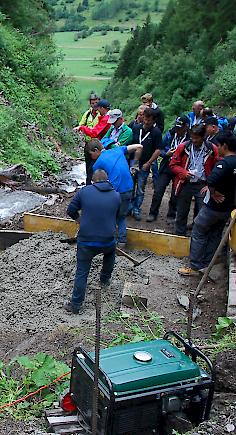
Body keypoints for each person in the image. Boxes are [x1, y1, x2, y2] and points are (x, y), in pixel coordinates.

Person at [179, 132, 236, 276]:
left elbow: (211, 180)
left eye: (219, 146)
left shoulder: (223, 164)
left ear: (224, 146)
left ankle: (194, 266)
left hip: (214, 207)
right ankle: (207, 263)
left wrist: (212, 192)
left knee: (198, 231)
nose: (218, 148)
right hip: (229, 207)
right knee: (215, 234)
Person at [64, 170, 120, 314]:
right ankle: (105, 279)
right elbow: (118, 216)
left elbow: (70, 210)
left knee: (82, 272)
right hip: (108, 240)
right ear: (108, 181)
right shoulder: (116, 195)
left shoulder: (85, 192)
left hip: (87, 241)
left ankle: (76, 305)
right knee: (110, 254)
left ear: (93, 182)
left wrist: (79, 220)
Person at [89, 140, 143, 245]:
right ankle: (122, 242)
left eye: (91, 155)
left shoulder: (97, 164)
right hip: (128, 189)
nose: (92, 158)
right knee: (121, 217)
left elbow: (98, 183)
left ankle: (107, 239)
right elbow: (139, 146)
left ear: (96, 150)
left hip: (115, 192)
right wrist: (134, 165)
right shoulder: (118, 150)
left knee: (108, 215)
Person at [169, 124, 219, 236]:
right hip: (185, 183)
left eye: (197, 138)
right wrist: (184, 173)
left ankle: (198, 235)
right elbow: (173, 165)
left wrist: (210, 184)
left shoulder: (211, 149)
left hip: (202, 184)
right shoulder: (184, 147)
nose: (194, 140)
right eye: (192, 137)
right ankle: (180, 234)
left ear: (203, 137)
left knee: (202, 211)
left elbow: (217, 168)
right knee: (182, 211)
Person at [147, 116, 190, 222]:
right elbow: (160, 148)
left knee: (175, 192)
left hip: (180, 167)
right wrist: (166, 153)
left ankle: (171, 214)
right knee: (158, 190)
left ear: (186, 127)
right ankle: (153, 213)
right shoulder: (170, 134)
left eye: (180, 127)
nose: (178, 130)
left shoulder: (190, 138)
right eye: (177, 127)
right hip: (167, 165)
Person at [130, 107, 163, 220]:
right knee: (130, 186)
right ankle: (129, 207)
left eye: (149, 120)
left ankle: (136, 209)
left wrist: (149, 163)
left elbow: (158, 150)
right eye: (145, 118)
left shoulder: (156, 132)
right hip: (133, 162)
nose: (147, 122)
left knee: (140, 188)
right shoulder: (136, 128)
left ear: (154, 120)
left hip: (145, 164)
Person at [74, 99, 112, 184]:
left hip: (99, 145)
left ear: (102, 108)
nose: (97, 111)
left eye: (98, 108)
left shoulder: (106, 118)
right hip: (95, 143)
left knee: (92, 167)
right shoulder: (89, 114)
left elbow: (94, 132)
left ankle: (91, 186)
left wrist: (82, 128)